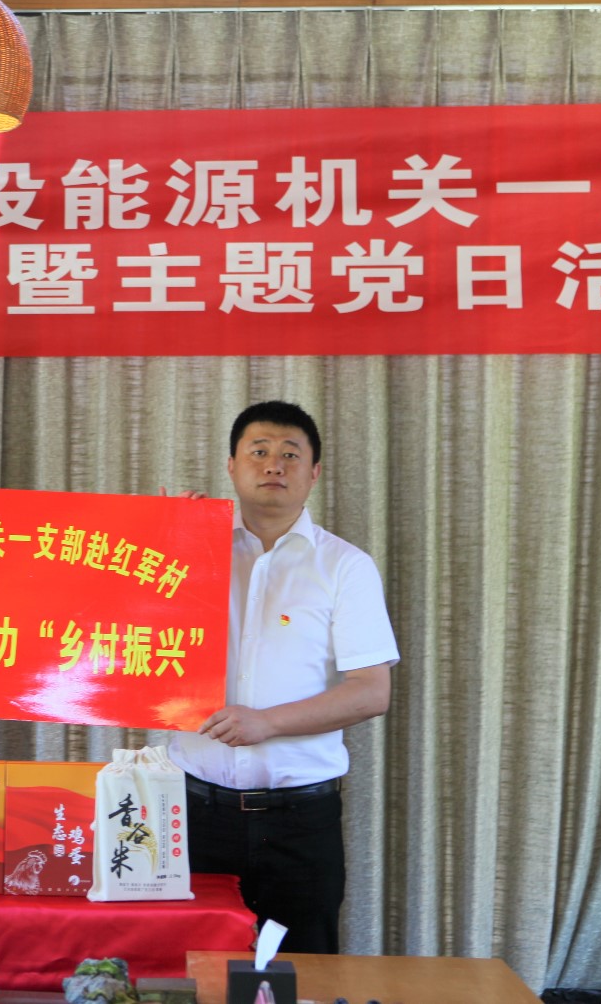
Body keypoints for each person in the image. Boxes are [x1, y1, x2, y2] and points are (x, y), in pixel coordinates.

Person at [166, 400, 399, 954]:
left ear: (314, 472)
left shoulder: (345, 566)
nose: (274, 464)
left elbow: (372, 692)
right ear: (231, 466)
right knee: (192, 971)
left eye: (290, 454)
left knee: (302, 970)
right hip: (192, 812)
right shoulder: (185, 552)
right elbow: (116, 642)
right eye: (259, 451)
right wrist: (160, 542)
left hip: (300, 821)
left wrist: (267, 723)